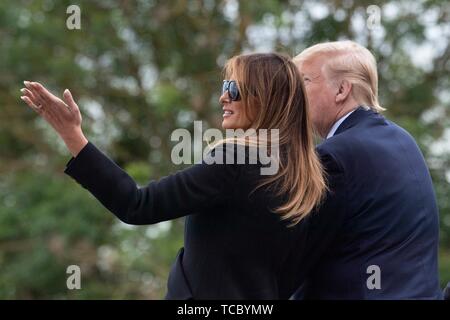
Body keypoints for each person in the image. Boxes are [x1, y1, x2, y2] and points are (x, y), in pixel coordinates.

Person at [20, 53, 328, 299]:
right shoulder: (307, 178)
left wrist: (73, 135)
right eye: (224, 88)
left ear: (263, 99)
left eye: (232, 89)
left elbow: (137, 205)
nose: (223, 98)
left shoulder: (235, 161)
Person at [291, 40, 442, 299]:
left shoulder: (334, 157)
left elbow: (295, 258)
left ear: (341, 90)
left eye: (303, 82)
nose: (293, 96)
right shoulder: (403, 139)